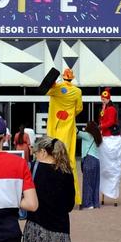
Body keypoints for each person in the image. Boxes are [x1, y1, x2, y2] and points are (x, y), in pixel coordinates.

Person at [45, 67, 83, 205]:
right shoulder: (77, 91)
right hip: (68, 131)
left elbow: (45, 90)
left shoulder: (56, 88)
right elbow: (79, 108)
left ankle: (52, 196)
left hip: (54, 130)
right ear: (72, 78)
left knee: (51, 160)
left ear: (63, 77)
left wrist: (53, 83)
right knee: (69, 161)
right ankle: (75, 198)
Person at [99, 88, 121, 206]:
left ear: (109, 98)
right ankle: (104, 190)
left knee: (112, 165)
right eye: (102, 99)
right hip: (105, 138)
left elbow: (111, 122)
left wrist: (100, 127)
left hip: (111, 139)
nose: (103, 100)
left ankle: (113, 192)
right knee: (104, 165)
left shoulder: (112, 109)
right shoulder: (104, 109)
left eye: (105, 99)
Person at [77, 122, 102, 209]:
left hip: (88, 160)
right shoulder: (97, 137)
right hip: (96, 161)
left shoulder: (87, 135)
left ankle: (88, 204)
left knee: (87, 183)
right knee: (95, 183)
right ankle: (95, 203)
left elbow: (76, 132)